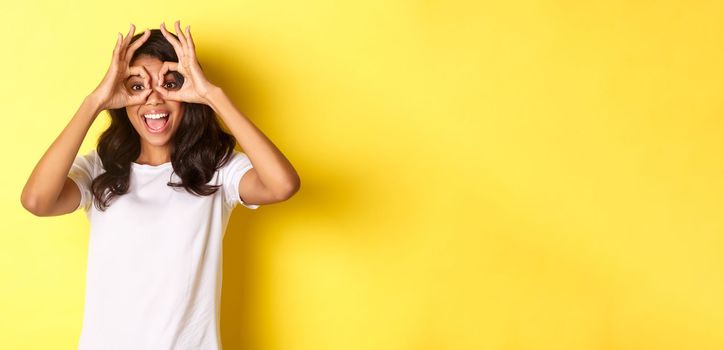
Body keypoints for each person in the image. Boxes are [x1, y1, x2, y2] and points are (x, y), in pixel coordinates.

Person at [20, 21, 300, 349]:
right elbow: (36, 201)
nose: (154, 99)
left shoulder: (217, 168)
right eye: (137, 86)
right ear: (120, 95)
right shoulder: (101, 166)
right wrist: (95, 100)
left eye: (169, 84)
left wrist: (212, 95)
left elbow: (283, 185)